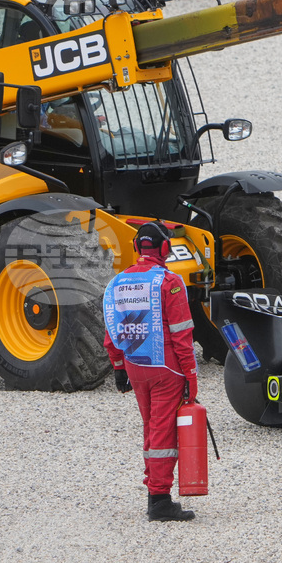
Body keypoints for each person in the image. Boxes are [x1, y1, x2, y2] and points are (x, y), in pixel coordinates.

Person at [103, 221, 199, 521]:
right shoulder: (169, 282)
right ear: (164, 249)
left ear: (137, 249)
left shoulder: (116, 283)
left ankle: (153, 490)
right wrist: (191, 376)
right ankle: (159, 500)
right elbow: (182, 335)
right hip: (166, 368)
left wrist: (119, 368)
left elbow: (111, 332)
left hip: (135, 366)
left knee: (151, 428)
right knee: (164, 432)